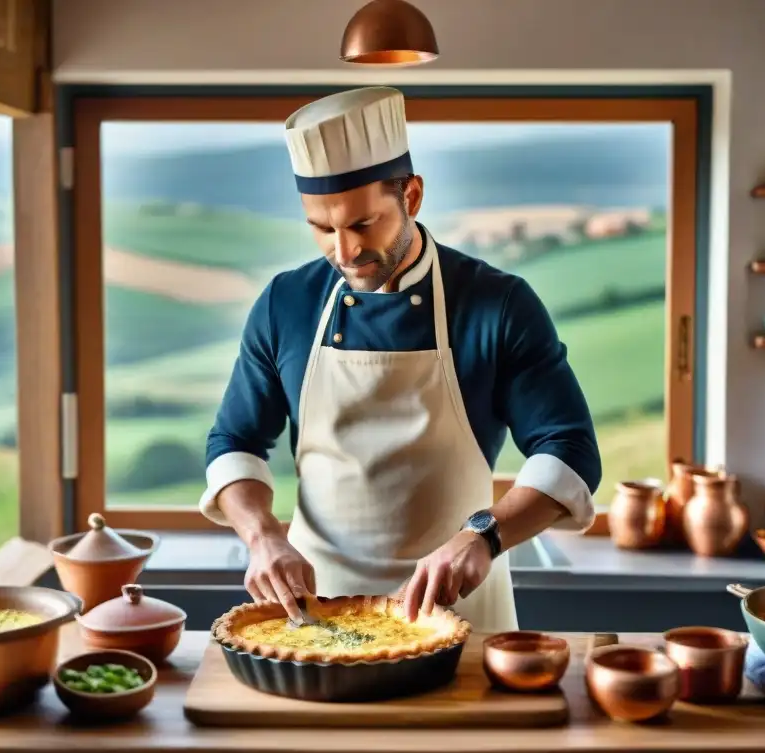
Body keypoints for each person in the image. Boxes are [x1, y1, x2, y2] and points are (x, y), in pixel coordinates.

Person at [200, 86, 601, 632]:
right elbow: (235, 442)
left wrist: (483, 534)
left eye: (364, 224)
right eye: (323, 228)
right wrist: (262, 534)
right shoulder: (284, 304)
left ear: (411, 196)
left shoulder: (498, 305)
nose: (345, 252)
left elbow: (570, 449)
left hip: (457, 610)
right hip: (316, 616)